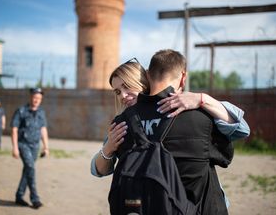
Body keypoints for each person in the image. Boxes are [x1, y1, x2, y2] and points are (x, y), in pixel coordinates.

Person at [92, 50, 250, 214]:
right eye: (117, 91)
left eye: (127, 86)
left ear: (146, 78)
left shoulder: (123, 123)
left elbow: (242, 129)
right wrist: (108, 148)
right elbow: (238, 135)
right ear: (183, 77)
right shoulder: (197, 116)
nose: (123, 95)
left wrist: (201, 99)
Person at [10, 88, 49, 209]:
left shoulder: (41, 112)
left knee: (27, 170)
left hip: (35, 146)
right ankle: (35, 198)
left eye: (39, 99)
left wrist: (46, 147)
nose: (37, 100)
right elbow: (14, 129)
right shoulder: (21, 111)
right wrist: (15, 147)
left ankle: (19, 196)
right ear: (30, 97)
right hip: (23, 144)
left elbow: (43, 129)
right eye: (35, 97)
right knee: (31, 168)